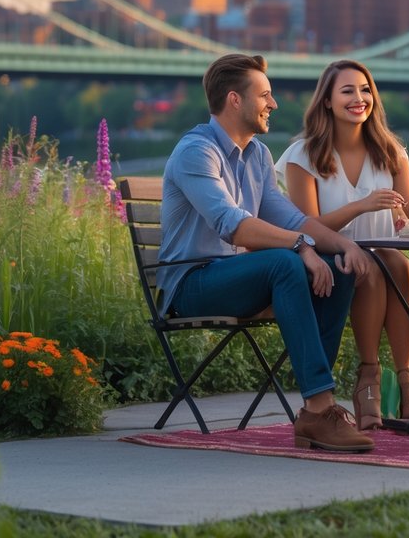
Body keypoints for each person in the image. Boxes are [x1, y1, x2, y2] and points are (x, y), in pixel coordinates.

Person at [159, 53, 375, 453]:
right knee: (284, 262)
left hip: (240, 274)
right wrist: (299, 248)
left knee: (338, 268)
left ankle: (315, 414)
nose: (273, 104)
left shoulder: (257, 155)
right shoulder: (196, 152)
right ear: (234, 100)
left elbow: (294, 220)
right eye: (265, 95)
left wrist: (345, 245)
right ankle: (321, 404)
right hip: (192, 282)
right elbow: (233, 224)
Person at [276, 59, 409, 431]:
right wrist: (362, 206)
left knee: (398, 263)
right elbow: (306, 225)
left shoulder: (391, 151)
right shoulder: (302, 155)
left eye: (365, 89)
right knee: (366, 266)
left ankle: (405, 383)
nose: (359, 98)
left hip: (382, 257)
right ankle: (368, 378)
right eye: (348, 90)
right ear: (327, 102)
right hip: (324, 259)